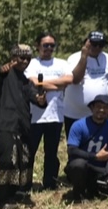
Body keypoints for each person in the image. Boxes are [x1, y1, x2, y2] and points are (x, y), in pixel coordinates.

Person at [0, 45, 49, 209]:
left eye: (28, 58)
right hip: (3, 126)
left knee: (24, 160)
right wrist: (1, 69)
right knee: (8, 160)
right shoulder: (3, 75)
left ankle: (15, 193)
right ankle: (0, 198)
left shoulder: (26, 81)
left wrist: (41, 100)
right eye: (21, 58)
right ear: (13, 57)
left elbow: (35, 97)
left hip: (22, 127)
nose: (25, 61)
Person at [25, 32, 73, 191]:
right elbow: (31, 82)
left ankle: (50, 182)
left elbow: (68, 80)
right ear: (38, 46)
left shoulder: (61, 63)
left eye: (52, 45)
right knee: (30, 151)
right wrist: (56, 85)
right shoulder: (31, 63)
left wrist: (43, 83)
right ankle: (25, 183)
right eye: (45, 45)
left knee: (51, 152)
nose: (49, 48)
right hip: (35, 116)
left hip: (55, 115)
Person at [64, 95, 108, 200]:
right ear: (92, 108)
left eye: (105, 107)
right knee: (79, 165)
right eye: (98, 106)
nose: (101, 110)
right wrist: (95, 156)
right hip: (82, 165)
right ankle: (78, 194)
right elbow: (71, 150)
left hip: (100, 169)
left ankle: (93, 186)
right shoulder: (78, 125)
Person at [65, 31, 108, 137]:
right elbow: (75, 79)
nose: (97, 47)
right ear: (87, 42)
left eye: (101, 45)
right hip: (74, 114)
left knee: (99, 146)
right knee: (75, 148)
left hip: (100, 115)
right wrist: (84, 56)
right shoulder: (74, 58)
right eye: (94, 44)